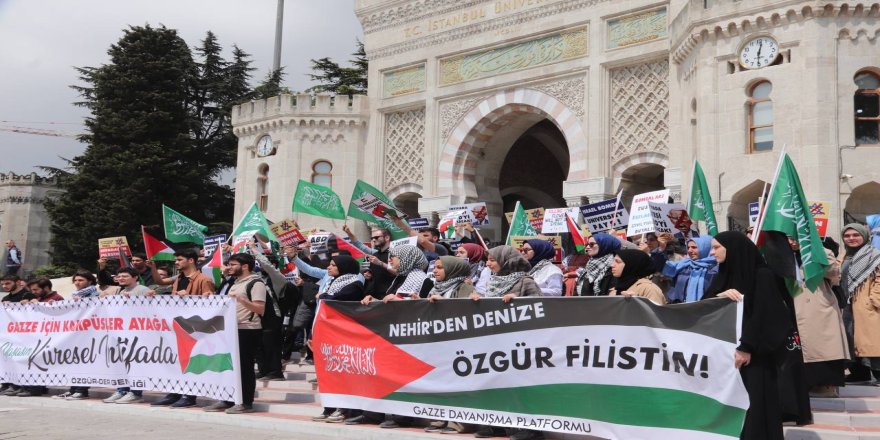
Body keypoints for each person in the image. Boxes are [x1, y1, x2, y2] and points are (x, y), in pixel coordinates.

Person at [703, 231, 794, 440]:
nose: (712, 252)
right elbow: (702, 307)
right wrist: (720, 297)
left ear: (732, 249)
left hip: (753, 358)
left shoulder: (762, 275)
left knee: (754, 408)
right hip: (725, 355)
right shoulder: (722, 276)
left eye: (716, 247)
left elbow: (766, 315)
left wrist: (747, 347)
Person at [152, 249, 216, 408]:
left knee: (190, 362)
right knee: (176, 362)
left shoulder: (204, 280)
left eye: (180, 259)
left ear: (191, 261)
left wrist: (189, 298)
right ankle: (174, 392)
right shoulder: (178, 279)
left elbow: (211, 304)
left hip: (194, 330)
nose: (176, 262)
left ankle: (189, 395)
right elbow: (161, 284)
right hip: (177, 326)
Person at [202, 253, 265, 414]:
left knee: (244, 368)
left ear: (244, 266)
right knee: (228, 367)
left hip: (247, 330)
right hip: (230, 330)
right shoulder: (235, 282)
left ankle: (245, 402)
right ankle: (228, 399)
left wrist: (242, 300)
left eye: (232, 264)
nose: (229, 267)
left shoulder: (256, 283)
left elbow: (260, 309)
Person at [790, 236, 848, 398]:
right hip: (792, 305)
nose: (792, 242)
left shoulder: (822, 251)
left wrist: (812, 252)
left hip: (817, 306)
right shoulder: (783, 254)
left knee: (822, 347)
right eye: (788, 238)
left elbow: (834, 271)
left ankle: (825, 386)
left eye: (795, 238)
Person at [312, 255, 365, 423]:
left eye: (333, 265)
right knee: (330, 372)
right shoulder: (331, 283)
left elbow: (338, 300)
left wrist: (323, 296)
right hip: (328, 334)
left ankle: (344, 409)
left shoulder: (354, 284)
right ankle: (329, 407)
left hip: (344, 335)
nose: (329, 268)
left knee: (344, 372)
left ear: (344, 267)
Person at [102, 268, 153, 404]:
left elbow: (151, 308)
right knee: (121, 363)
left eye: (125, 276)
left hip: (138, 334)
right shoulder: (119, 291)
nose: (121, 278)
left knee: (135, 363)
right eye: (119, 276)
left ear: (135, 277)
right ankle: (122, 389)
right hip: (121, 333)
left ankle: (136, 392)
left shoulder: (142, 290)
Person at [840, 224, 880, 383]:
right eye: (847, 235)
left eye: (855, 235)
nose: (851, 238)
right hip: (847, 305)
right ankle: (859, 373)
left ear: (864, 236)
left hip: (866, 306)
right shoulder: (843, 256)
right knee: (851, 339)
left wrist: (873, 300)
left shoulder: (875, 255)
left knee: (871, 341)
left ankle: (877, 374)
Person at [53, 271, 98, 400]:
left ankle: (82, 390)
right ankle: (73, 389)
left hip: (88, 334)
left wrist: (84, 303)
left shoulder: (94, 294)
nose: (77, 283)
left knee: (84, 362)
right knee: (73, 362)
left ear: (90, 281)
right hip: (75, 333)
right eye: (76, 280)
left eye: (81, 280)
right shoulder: (75, 295)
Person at [0, 275, 36, 396]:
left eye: (8, 283)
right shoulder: (5, 298)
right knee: (10, 361)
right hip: (10, 336)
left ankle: (26, 387)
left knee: (25, 361)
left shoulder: (27, 295)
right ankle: (11, 384)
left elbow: (36, 310)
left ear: (18, 282)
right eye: (3, 284)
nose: (5, 286)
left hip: (26, 336)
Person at [361, 245, 433, 303]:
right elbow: (389, 302)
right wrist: (375, 301)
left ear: (405, 258)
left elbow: (424, 309)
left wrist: (399, 301)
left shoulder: (424, 280)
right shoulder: (399, 277)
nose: (389, 260)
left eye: (392, 257)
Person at [662, 236, 718, 303]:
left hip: (704, 310)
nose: (689, 251)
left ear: (705, 248)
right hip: (679, 309)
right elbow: (662, 266)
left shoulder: (714, 270)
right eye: (688, 248)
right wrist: (660, 249)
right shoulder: (684, 265)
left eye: (694, 247)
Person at [342, 225, 395, 295]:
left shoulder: (395, 253)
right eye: (372, 238)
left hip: (387, 295)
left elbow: (397, 272)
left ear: (387, 238)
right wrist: (369, 275)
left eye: (376, 237)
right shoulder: (375, 253)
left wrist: (380, 263)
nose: (373, 240)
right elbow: (359, 245)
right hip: (371, 295)